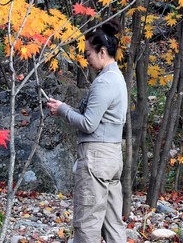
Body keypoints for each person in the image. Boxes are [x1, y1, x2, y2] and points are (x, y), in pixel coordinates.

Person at [46, 20, 128, 243]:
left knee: (87, 222)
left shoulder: (104, 83)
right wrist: (64, 108)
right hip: (112, 157)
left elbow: (89, 124)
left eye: (88, 53)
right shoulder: (117, 79)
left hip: (96, 159)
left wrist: (63, 110)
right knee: (113, 224)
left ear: (102, 52)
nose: (87, 59)